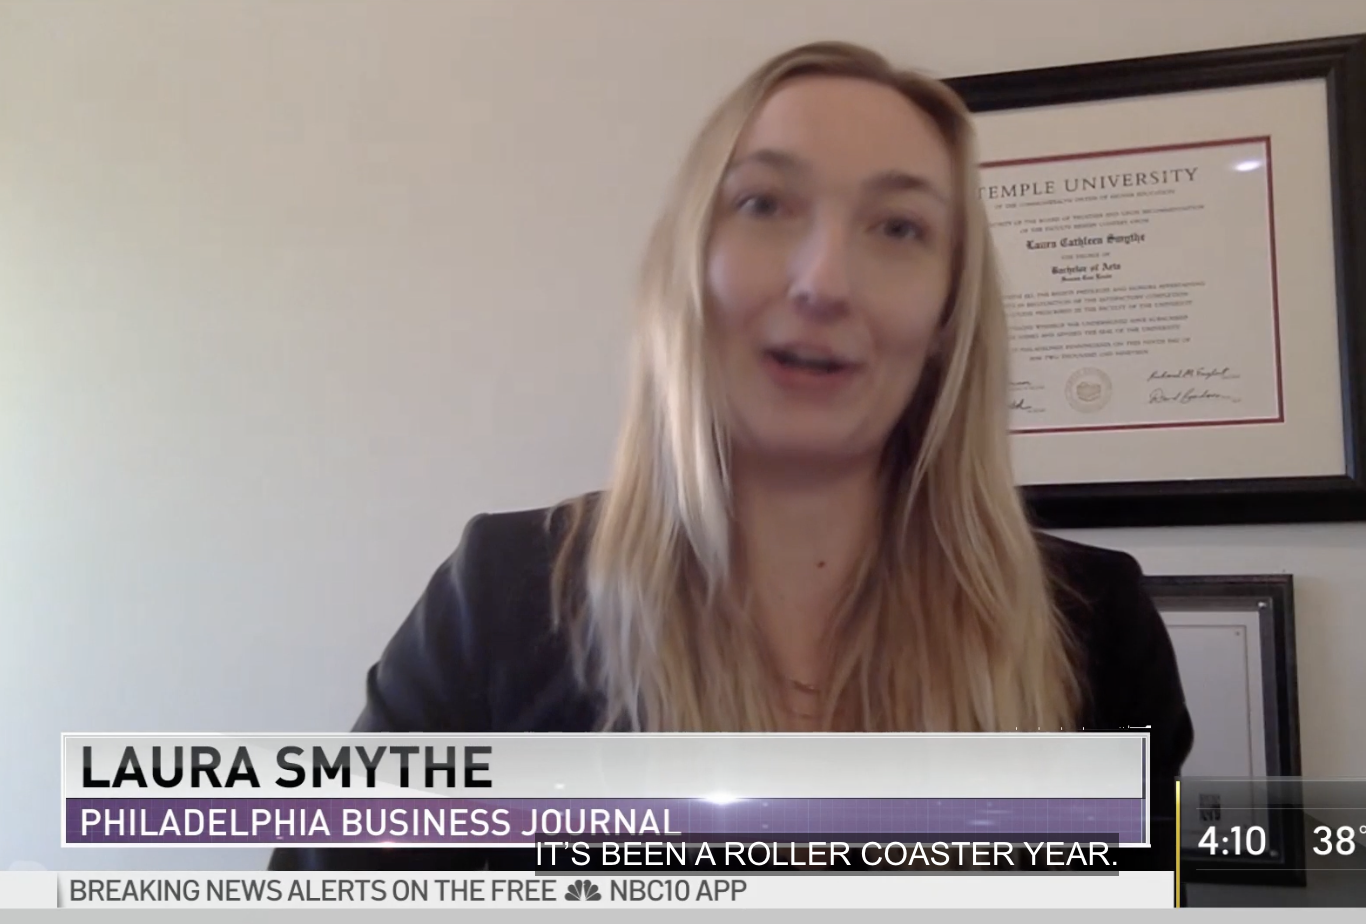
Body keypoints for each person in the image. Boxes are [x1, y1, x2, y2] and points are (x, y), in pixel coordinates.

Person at [271, 40, 1192, 872]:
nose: (824, 280)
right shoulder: (501, 599)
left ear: (949, 318)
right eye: (764, 203)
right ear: (687, 271)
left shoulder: (1096, 632)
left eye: (899, 227)